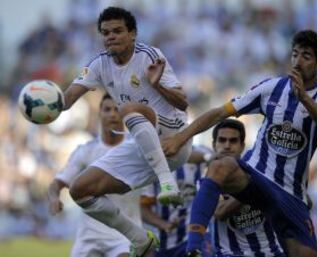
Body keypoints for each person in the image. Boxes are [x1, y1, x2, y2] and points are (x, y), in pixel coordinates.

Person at [162, 30, 317, 257]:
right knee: (219, 166)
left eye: (306, 56)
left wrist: (303, 97)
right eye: (294, 54)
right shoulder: (271, 88)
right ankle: (194, 247)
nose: (297, 61)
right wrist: (180, 137)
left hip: (291, 194)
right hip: (258, 177)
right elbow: (219, 113)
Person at [60, 7, 192, 257]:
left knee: (130, 109)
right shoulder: (99, 64)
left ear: (132, 34)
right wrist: (49, 101)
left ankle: (167, 182)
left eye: (117, 31)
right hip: (142, 143)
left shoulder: (149, 55)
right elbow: (67, 100)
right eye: (106, 33)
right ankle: (140, 238)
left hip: (174, 136)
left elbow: (183, 103)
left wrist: (156, 85)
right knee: (80, 189)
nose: (110, 36)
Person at [48, 94, 142, 257]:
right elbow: (57, 183)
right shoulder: (86, 150)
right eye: (107, 109)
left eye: (117, 109)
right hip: (89, 236)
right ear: (99, 114)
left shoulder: (136, 148)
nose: (112, 114)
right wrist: (54, 198)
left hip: (123, 235)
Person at [210, 119, 285, 257]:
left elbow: (304, 202)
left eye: (233, 141)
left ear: (242, 146)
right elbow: (220, 212)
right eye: (222, 140)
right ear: (214, 145)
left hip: (271, 253)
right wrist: (255, 186)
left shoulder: (261, 171)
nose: (227, 146)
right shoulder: (207, 181)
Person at [140, 146, 213, 257]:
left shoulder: (204, 152)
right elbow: (143, 209)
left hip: (196, 233)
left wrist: (207, 157)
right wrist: (164, 224)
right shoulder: (152, 163)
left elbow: (187, 154)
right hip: (165, 241)